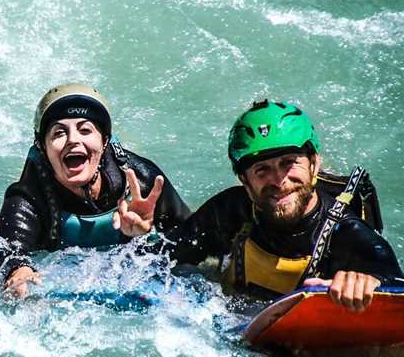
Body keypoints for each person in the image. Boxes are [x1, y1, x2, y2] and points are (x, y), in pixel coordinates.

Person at [167, 100, 402, 307]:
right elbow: (160, 260)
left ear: (314, 165)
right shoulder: (229, 211)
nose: (279, 180)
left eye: (289, 163)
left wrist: (373, 283)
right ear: (245, 181)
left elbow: (395, 284)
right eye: (262, 170)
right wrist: (139, 232)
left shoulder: (346, 235)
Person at [0, 83, 192, 297]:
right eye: (59, 133)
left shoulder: (143, 181)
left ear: (104, 140)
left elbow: (195, 240)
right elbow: (5, 253)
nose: (73, 140)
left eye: (85, 130)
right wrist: (18, 270)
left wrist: (146, 236)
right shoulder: (28, 199)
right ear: (43, 148)